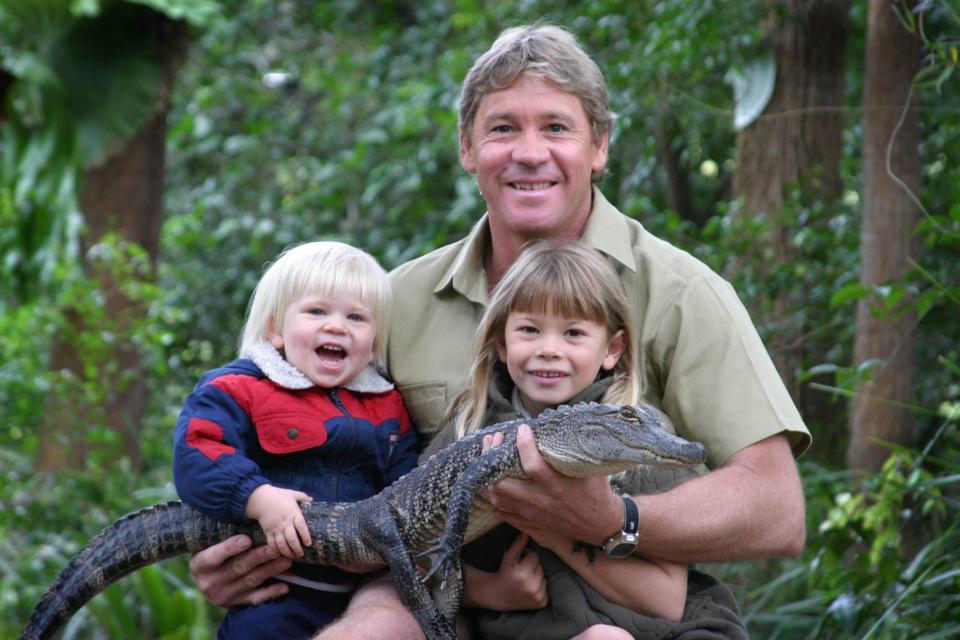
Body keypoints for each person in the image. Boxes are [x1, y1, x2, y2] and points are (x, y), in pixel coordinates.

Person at [188, 24, 811, 640]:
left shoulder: (681, 292)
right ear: (468, 148)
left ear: (600, 147)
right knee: (372, 624)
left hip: (612, 597)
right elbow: (291, 430)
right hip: (439, 582)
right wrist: (239, 541)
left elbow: (776, 510)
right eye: (503, 128)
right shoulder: (394, 298)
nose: (530, 152)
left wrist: (611, 518)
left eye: (557, 127)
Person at [421, 240, 695, 639]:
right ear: (502, 343)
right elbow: (414, 552)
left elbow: (667, 601)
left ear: (612, 349)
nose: (549, 350)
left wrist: (559, 534)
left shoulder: (639, 439)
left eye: (573, 333)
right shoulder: (469, 427)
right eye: (530, 329)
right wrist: (491, 592)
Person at [172, 240, 419, 639]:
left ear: (374, 343)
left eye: (356, 317)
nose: (336, 326)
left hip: (362, 596)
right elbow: (198, 452)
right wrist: (258, 496)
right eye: (317, 311)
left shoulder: (388, 405)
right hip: (275, 594)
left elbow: (406, 483)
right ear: (276, 329)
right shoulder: (240, 388)